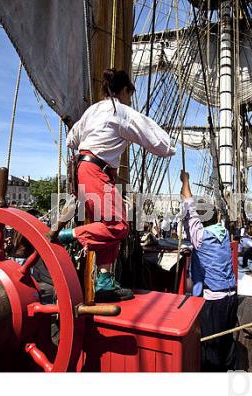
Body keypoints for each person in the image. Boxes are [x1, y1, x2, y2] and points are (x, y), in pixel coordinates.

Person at [59, 68, 175, 302]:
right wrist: (170, 145)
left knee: (105, 228)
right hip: (96, 171)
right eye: (130, 94)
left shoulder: (93, 110)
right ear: (124, 91)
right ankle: (66, 235)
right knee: (118, 225)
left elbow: (71, 140)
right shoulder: (122, 112)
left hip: (83, 169)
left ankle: (103, 282)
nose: (130, 99)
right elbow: (162, 146)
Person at [180, 170, 237, 371]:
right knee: (227, 337)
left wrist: (185, 181)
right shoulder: (223, 232)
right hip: (231, 295)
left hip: (214, 298)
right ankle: (229, 369)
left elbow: (188, 203)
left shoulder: (201, 237)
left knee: (210, 342)